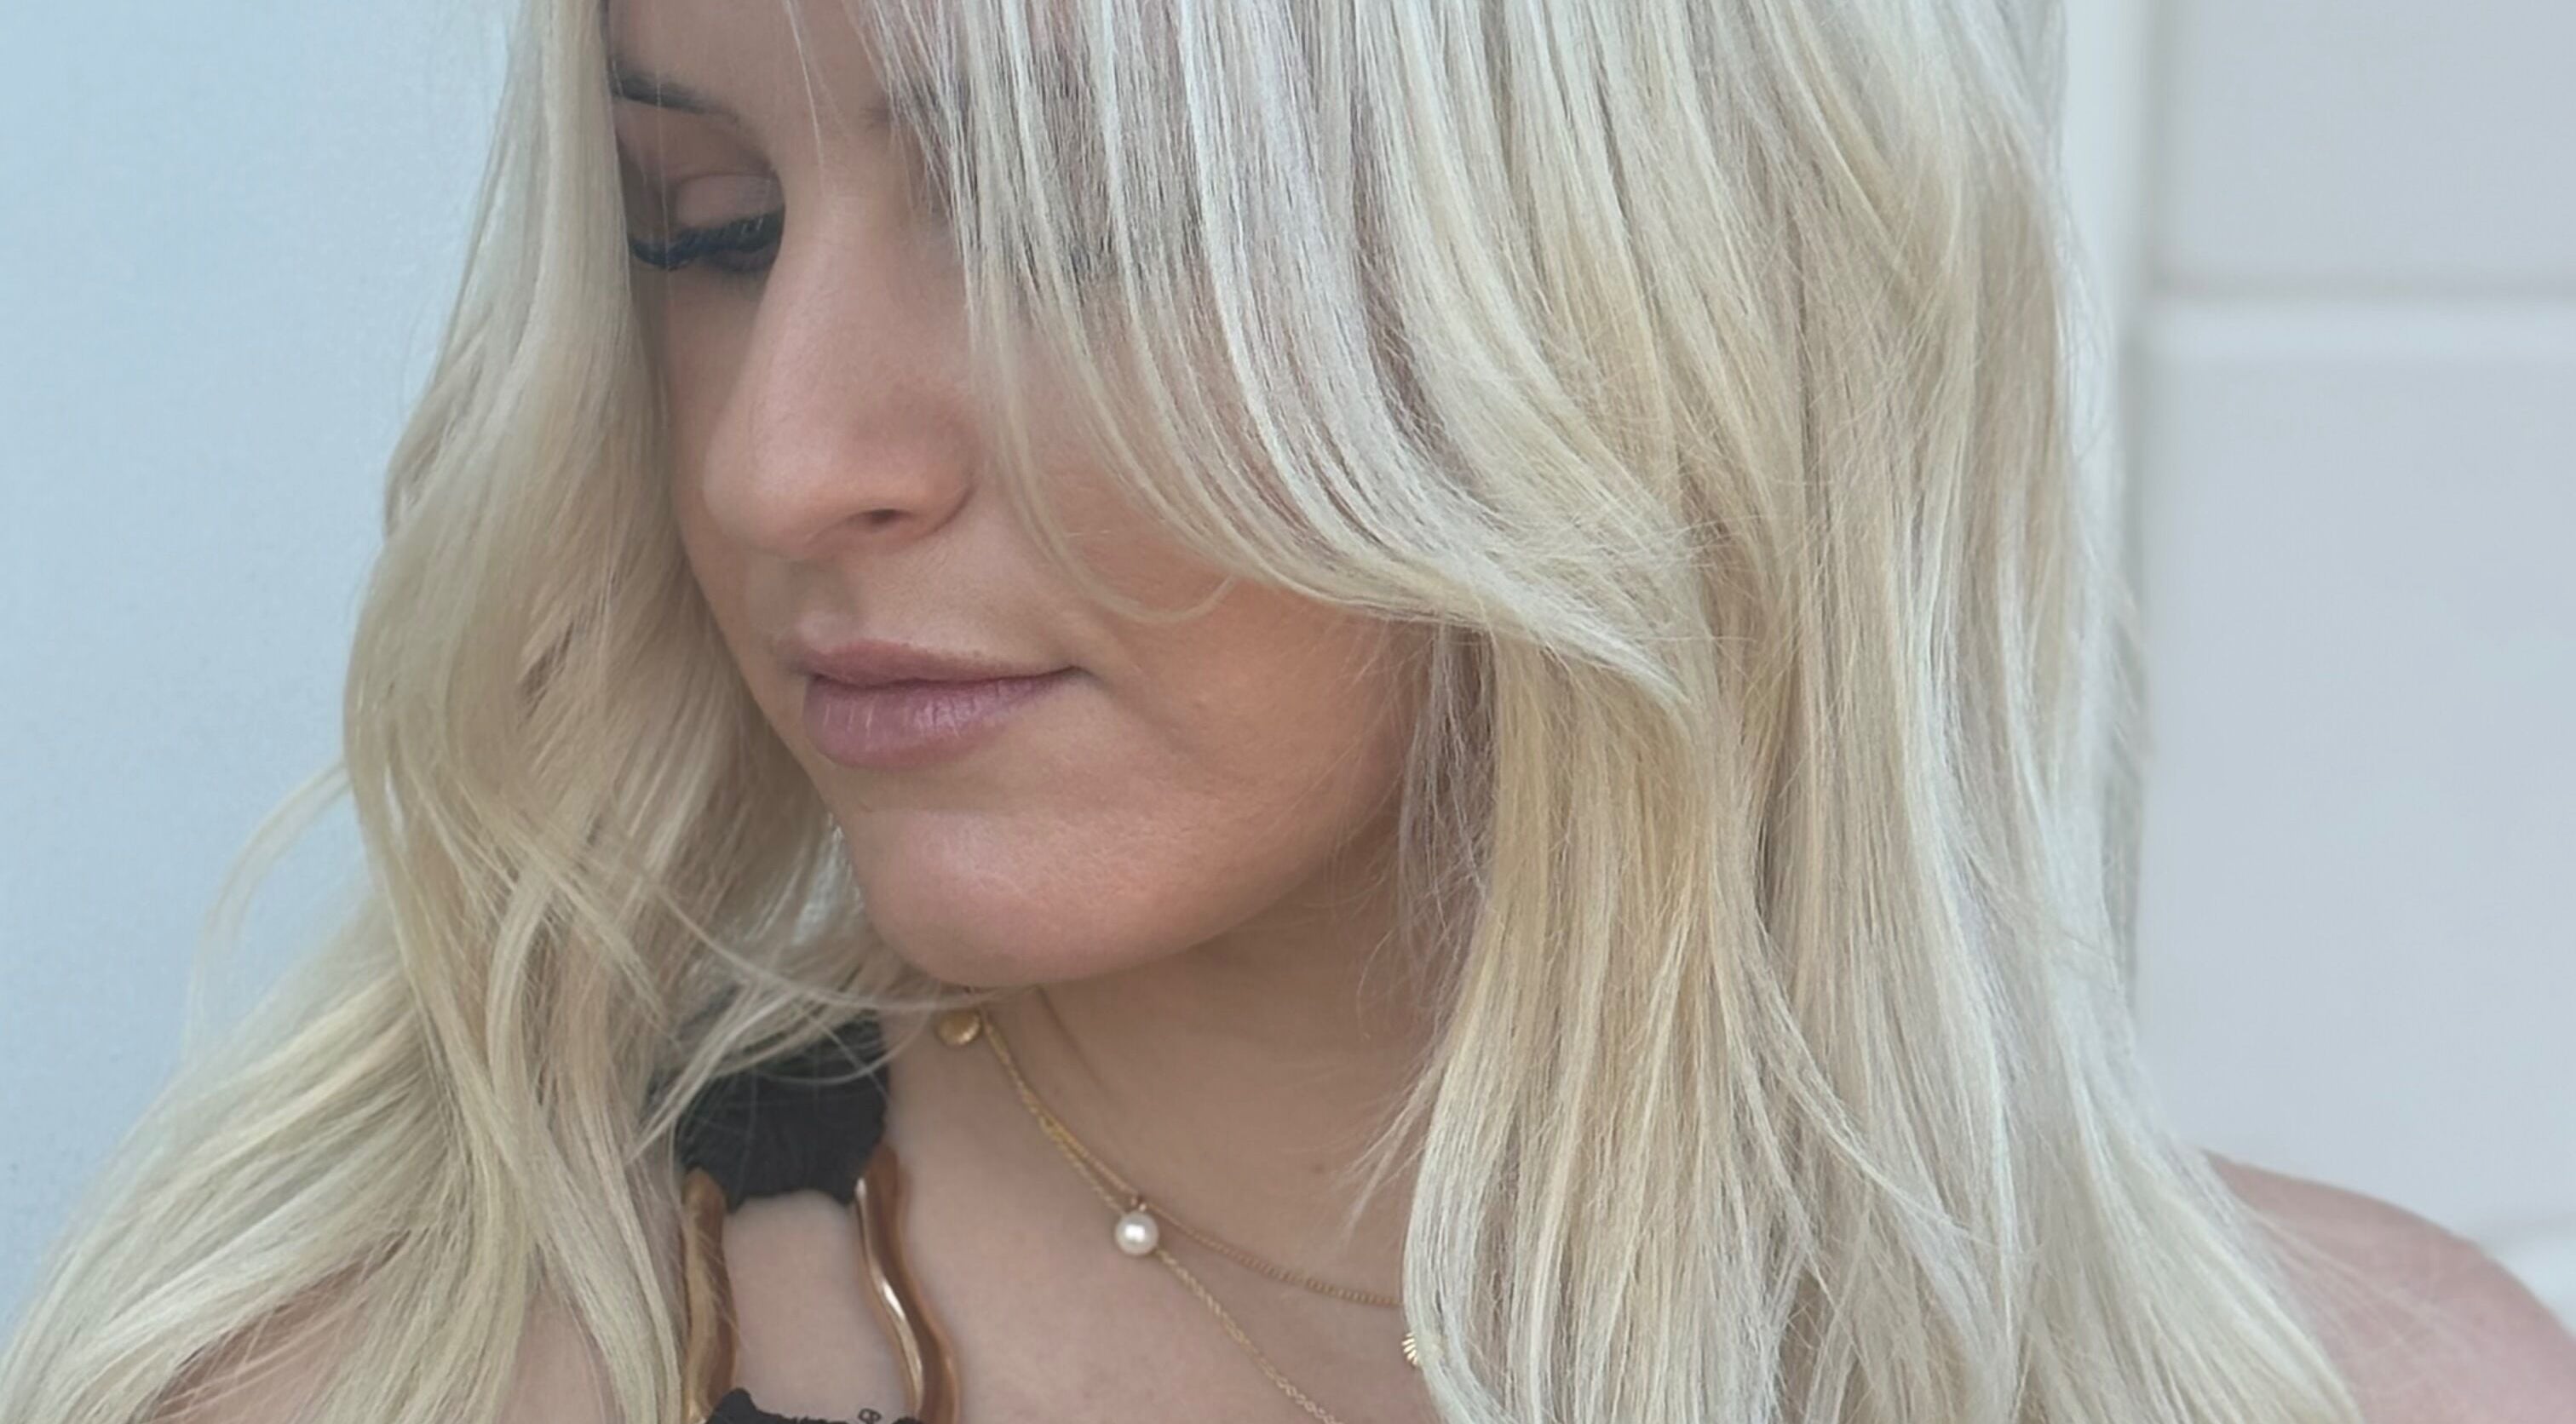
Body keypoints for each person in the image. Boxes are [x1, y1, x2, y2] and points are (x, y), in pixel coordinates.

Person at [4, 0, 2572, 1421]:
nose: (790, 460)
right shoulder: (385, 1389)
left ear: (1653, 277)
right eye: (711, 229)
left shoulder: (2378, 1391)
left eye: (1077, 208)